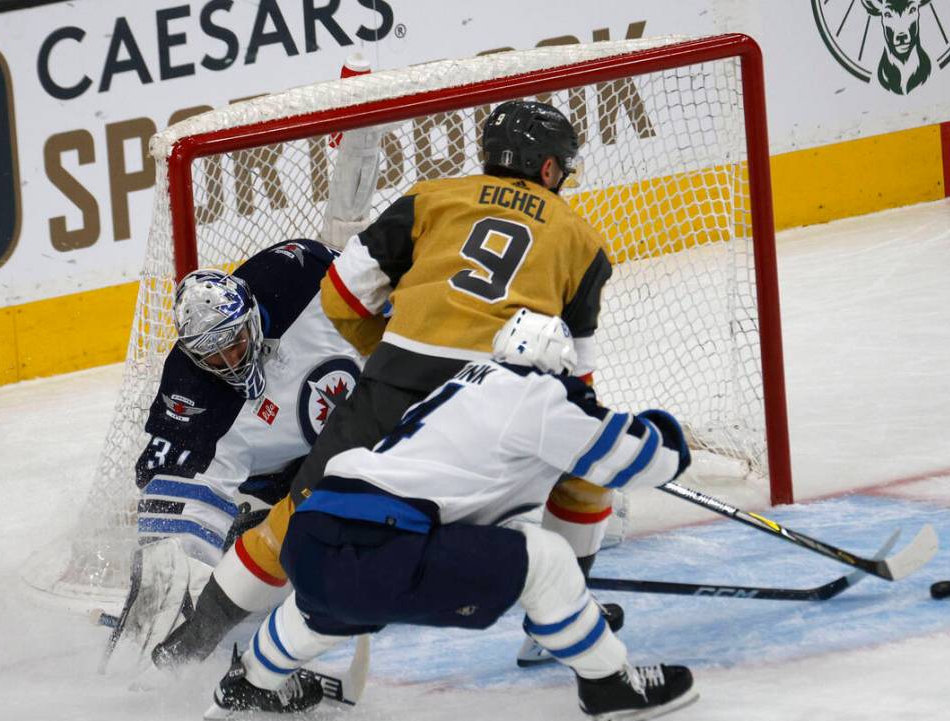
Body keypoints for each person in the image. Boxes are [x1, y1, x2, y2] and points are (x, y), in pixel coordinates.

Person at [154, 99, 623, 671]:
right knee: (586, 480)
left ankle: (181, 653)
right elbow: (580, 375)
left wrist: (389, 355)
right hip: (493, 399)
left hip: (393, 384)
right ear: (549, 170)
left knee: (291, 521)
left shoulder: (430, 197)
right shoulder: (581, 240)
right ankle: (557, 626)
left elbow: (342, 296)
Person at [206, 310, 697, 721]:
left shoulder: (463, 383)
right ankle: (611, 687)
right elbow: (646, 459)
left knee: (332, 600)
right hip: (384, 543)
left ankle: (249, 684)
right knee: (547, 561)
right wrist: (665, 433)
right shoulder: (543, 398)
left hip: (314, 528)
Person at [105, 126, 384, 671]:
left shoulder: (298, 279)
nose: (232, 362)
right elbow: (183, 496)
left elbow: (369, 279)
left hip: (374, 421)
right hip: (288, 480)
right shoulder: (200, 401)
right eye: (214, 357)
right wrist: (172, 578)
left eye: (236, 343)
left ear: (252, 319)